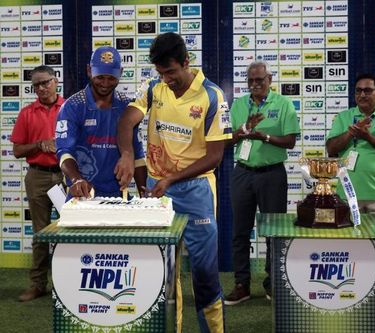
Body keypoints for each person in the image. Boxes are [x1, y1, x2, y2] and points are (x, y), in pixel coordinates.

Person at [115, 32, 231, 333]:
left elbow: (215, 157)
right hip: (158, 190)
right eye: (161, 73)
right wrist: (127, 154)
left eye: (171, 72)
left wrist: (172, 178)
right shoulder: (153, 88)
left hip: (197, 192)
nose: (166, 79)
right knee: (165, 272)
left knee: (205, 274)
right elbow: (127, 120)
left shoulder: (212, 96)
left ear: (185, 62)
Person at [326, 73, 375, 313]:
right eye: (358, 90)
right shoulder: (344, 117)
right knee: (350, 246)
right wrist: (351, 133)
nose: (362, 94)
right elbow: (331, 149)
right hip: (347, 194)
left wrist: (367, 136)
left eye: (368, 90)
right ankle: (354, 290)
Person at [225, 60, 300, 305]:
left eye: (260, 80)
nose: (255, 84)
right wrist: (245, 130)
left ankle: (273, 283)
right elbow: (227, 141)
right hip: (242, 173)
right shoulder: (238, 105)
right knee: (239, 232)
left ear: (270, 79)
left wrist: (263, 136)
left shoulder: (283, 103)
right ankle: (241, 284)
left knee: (273, 232)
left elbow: (290, 141)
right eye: (251, 81)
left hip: (272, 175)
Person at [55, 46, 146, 199]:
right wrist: (76, 179)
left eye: (111, 78)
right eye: (100, 77)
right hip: (82, 194)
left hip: (119, 196)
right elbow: (64, 152)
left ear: (121, 73)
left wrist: (145, 196)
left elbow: (137, 155)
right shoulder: (72, 106)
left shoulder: (128, 107)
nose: (105, 83)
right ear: (89, 71)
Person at [11, 65, 65, 302]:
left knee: (72, 231)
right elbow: (17, 151)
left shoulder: (70, 108)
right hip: (38, 176)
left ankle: (67, 284)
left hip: (66, 175)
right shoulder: (26, 113)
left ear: (56, 81)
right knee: (41, 234)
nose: (41, 88)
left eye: (45, 82)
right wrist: (39, 144)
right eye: (36, 85)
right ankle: (38, 284)